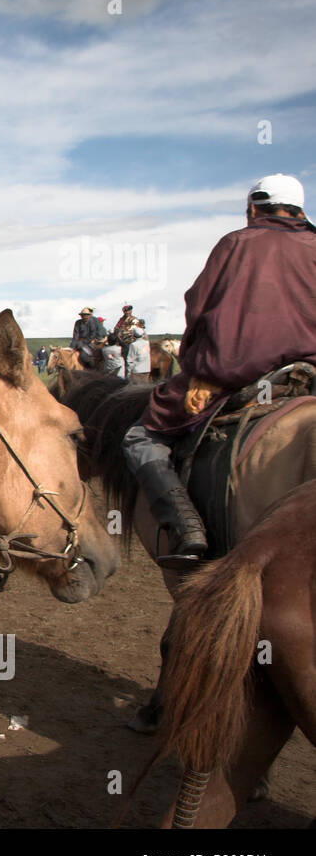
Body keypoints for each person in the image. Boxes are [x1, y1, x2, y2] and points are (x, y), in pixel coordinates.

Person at [122, 173, 316, 569]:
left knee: (141, 436)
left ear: (253, 207)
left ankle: (187, 528)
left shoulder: (237, 243)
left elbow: (200, 307)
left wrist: (197, 364)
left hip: (243, 374)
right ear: (298, 209)